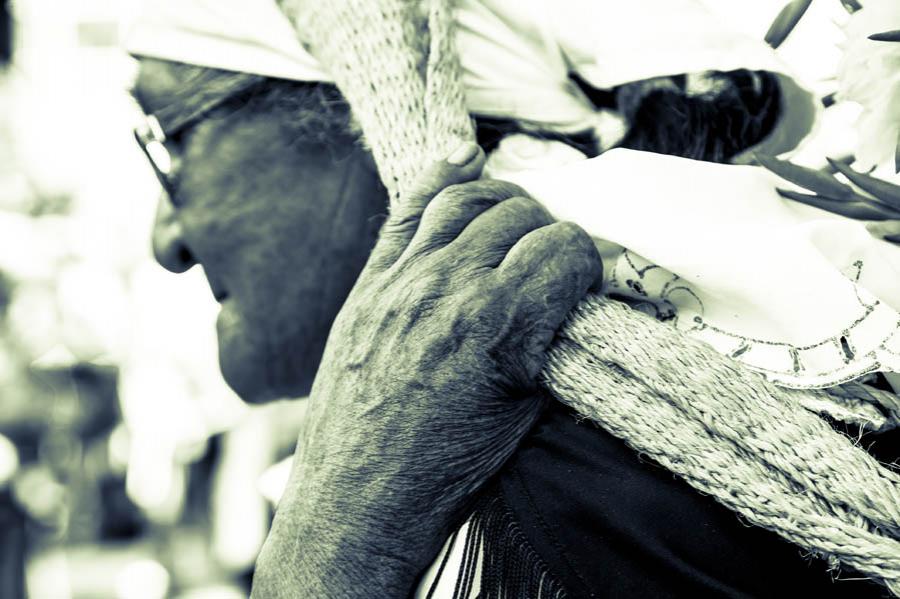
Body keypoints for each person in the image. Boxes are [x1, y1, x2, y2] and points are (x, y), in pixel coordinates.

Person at [127, 3, 899, 597]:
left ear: (364, 109)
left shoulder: (564, 510)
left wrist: (329, 544)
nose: (168, 241)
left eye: (168, 137)